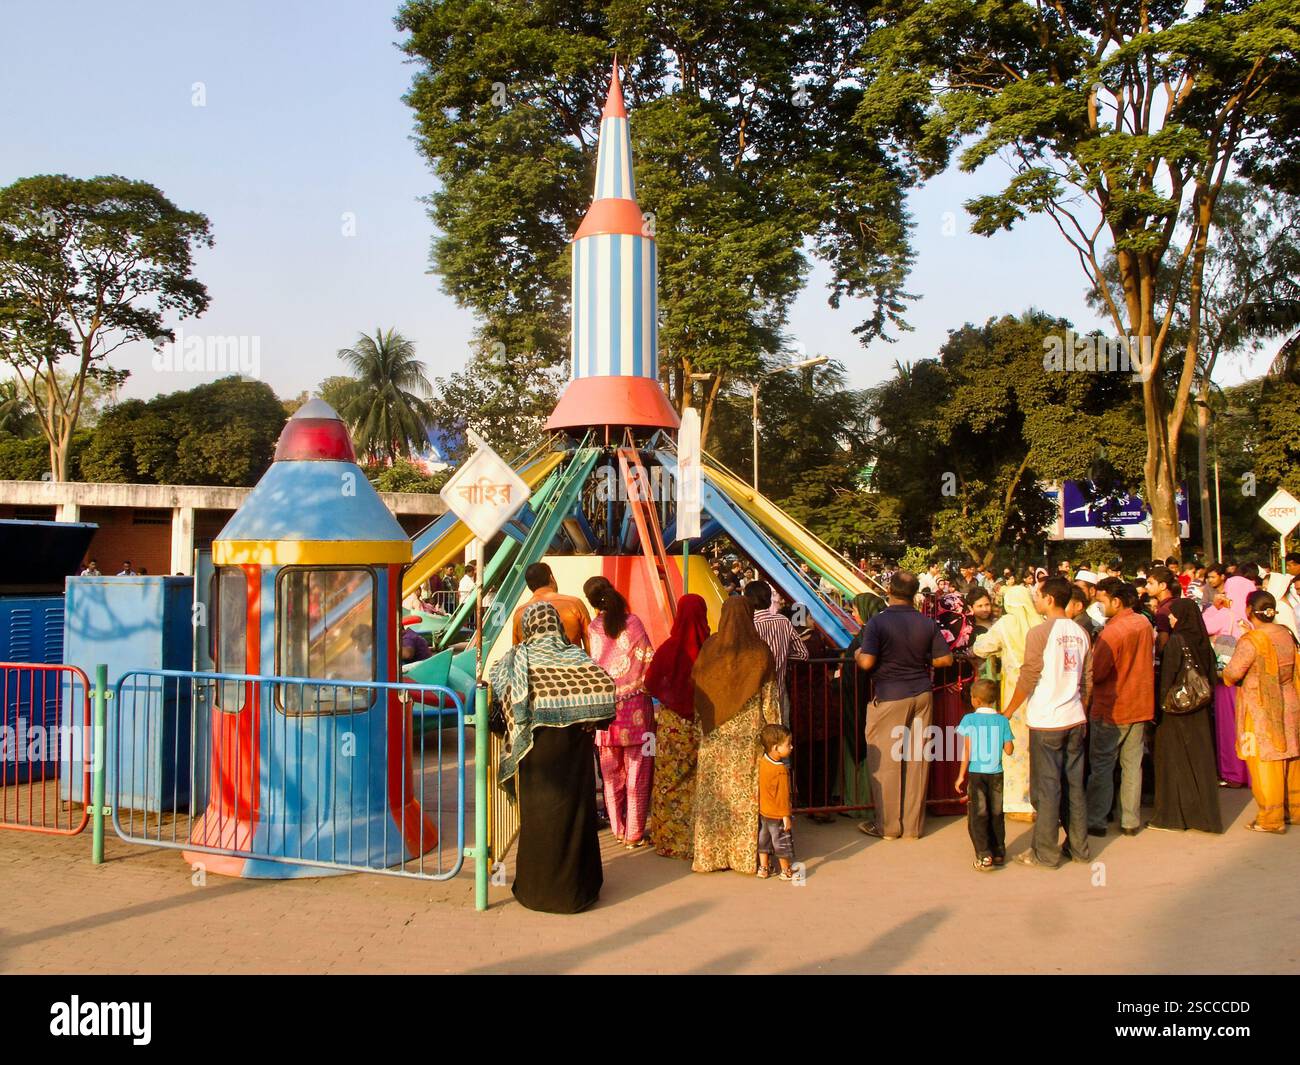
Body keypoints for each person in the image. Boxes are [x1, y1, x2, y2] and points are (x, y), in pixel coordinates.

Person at [489, 602, 615, 913]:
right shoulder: (577, 658)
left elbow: (497, 706)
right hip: (575, 757)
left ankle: (537, 890)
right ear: (557, 626)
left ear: (530, 626)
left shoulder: (516, 661)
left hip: (536, 756)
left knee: (539, 819)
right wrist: (589, 719)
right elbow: (605, 690)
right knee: (575, 817)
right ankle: (578, 890)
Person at [854, 570, 954, 840]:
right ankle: (912, 827)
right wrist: (921, 661)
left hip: (890, 694)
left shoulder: (878, 623)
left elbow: (866, 663)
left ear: (889, 589)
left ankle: (888, 826)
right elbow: (945, 660)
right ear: (914, 594)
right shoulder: (926, 622)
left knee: (887, 762)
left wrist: (857, 652)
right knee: (917, 761)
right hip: (922, 693)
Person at [1001, 577, 1092, 868]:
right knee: (1074, 786)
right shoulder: (1081, 632)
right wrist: (1082, 710)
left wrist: (1009, 710)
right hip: (1075, 717)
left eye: (1038, 596)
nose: (1036, 600)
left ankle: (1045, 852)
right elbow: (1087, 680)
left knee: (1047, 788)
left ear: (1050, 599)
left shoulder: (1040, 633)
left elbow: (1029, 675)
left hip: (1047, 719)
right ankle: (1079, 848)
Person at [691, 597, 782, 874]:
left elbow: (699, 693)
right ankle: (743, 858)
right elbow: (769, 698)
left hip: (715, 734)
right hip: (748, 736)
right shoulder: (760, 652)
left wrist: (699, 729)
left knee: (713, 797)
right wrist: (774, 736)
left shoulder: (710, 648)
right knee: (744, 797)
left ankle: (709, 858)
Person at [583, 576, 655, 849]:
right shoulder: (634, 623)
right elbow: (649, 659)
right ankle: (634, 833)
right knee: (639, 773)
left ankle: (618, 828)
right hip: (637, 708)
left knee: (611, 774)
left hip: (606, 712)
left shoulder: (593, 627)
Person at [1221, 591, 1300, 833]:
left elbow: (1233, 673)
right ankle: (1293, 810)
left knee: (1266, 760)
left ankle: (1271, 818)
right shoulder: (1286, 633)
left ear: (1248, 611)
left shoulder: (1252, 640)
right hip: (1288, 699)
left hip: (1261, 705)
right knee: (1289, 755)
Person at [643, 593, 710, 860]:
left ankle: (670, 841)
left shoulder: (669, 648)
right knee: (700, 780)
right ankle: (700, 841)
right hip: (703, 721)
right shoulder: (711, 648)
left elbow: (651, 681)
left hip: (672, 725)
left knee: (670, 781)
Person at [1087, 576, 1155, 837]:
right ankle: (1130, 820)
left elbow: (1099, 672)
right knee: (1132, 765)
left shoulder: (1112, 633)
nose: (1100, 605)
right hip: (1139, 703)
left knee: (1102, 766)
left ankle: (1097, 819)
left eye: (1102, 600)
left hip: (1112, 708)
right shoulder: (1143, 623)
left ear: (1115, 601)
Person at [1149, 598, 1225, 833]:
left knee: (1173, 763)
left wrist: (1158, 709)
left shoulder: (1176, 642)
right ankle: (1203, 816)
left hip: (1176, 713)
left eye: (1173, 615)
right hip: (1199, 712)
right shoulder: (1201, 641)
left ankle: (1172, 816)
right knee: (1199, 763)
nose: (1170, 619)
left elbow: (1168, 679)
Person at [972, 585, 1042, 820]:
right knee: (1039, 746)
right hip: (1041, 691)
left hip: (1014, 689)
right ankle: (1040, 800)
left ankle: (1017, 802)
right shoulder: (1039, 622)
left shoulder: (1006, 624)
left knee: (1015, 743)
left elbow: (982, 648)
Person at [955, 677, 1014, 871]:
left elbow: (968, 751)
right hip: (996, 773)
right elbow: (1009, 750)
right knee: (997, 813)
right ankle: (998, 852)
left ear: (976, 700)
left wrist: (961, 775)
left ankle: (984, 855)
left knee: (978, 814)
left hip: (977, 773)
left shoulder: (969, 719)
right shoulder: (1002, 720)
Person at [745, 580, 809, 725]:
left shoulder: (749, 624)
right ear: (768, 599)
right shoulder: (783, 621)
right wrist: (783, 655)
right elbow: (803, 654)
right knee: (781, 738)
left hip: (754, 696)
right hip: (779, 691)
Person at [511, 562, 591, 650]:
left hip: (536, 663)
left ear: (529, 586)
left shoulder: (519, 614)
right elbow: (591, 645)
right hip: (574, 662)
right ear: (551, 578)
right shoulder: (574, 603)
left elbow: (517, 653)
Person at [756, 723, 796, 881]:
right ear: (775, 747)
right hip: (777, 813)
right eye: (788, 744)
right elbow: (783, 796)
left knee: (763, 839)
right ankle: (785, 870)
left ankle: (763, 868)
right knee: (781, 841)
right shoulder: (781, 770)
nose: (791, 747)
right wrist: (786, 815)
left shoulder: (763, 762)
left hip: (764, 811)